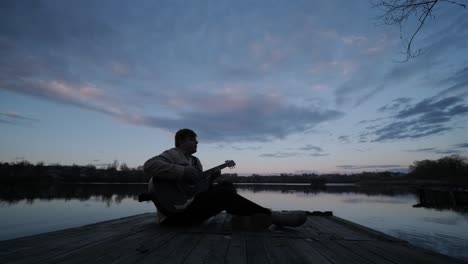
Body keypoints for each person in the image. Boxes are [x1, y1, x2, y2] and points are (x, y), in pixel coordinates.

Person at [139, 128, 307, 229]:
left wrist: (210, 179)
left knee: (226, 186)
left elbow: (195, 190)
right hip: (173, 216)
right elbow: (149, 166)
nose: (197, 143)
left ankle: (241, 219)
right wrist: (181, 171)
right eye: (192, 140)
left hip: (190, 210)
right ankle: (273, 216)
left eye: (197, 140)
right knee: (223, 194)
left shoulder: (196, 162)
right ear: (181, 141)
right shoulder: (172, 154)